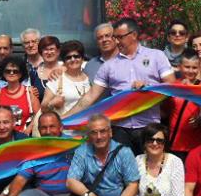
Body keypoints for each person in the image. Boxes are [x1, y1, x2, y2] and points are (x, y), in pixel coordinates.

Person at [66, 18, 176, 154]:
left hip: (149, 127)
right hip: (120, 130)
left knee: (149, 171)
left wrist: (148, 87)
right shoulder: (109, 66)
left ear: (133, 35)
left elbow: (172, 86)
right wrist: (65, 119)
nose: (116, 41)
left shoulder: (156, 56)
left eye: (120, 37)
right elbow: (90, 97)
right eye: (115, 37)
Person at [7, 111, 73, 196]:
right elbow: (20, 178)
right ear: (39, 130)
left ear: (61, 127)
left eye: (52, 126)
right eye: (43, 127)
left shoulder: (73, 146)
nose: (48, 131)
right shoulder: (35, 151)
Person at [162, 51, 201, 160]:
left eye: (194, 67)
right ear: (180, 67)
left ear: (199, 67)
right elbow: (164, 111)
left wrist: (200, 117)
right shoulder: (173, 87)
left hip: (195, 144)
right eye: (187, 67)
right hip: (174, 143)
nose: (190, 71)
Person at [40, 40, 91, 119]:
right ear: (64, 61)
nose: (73, 59)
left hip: (87, 128)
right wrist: (52, 103)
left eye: (76, 56)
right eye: (68, 57)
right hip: (65, 128)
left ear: (82, 58)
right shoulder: (56, 78)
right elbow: (43, 108)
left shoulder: (90, 78)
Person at [0, 55, 40, 135]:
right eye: (8, 71)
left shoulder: (30, 92)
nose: (11, 73)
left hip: (25, 139)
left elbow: (38, 115)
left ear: (21, 74)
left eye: (15, 71)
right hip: (3, 139)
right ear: (3, 73)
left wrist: (28, 130)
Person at [83, 23, 117, 97]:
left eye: (107, 36)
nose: (104, 40)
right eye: (100, 38)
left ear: (115, 38)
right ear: (97, 43)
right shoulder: (90, 65)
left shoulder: (126, 60)